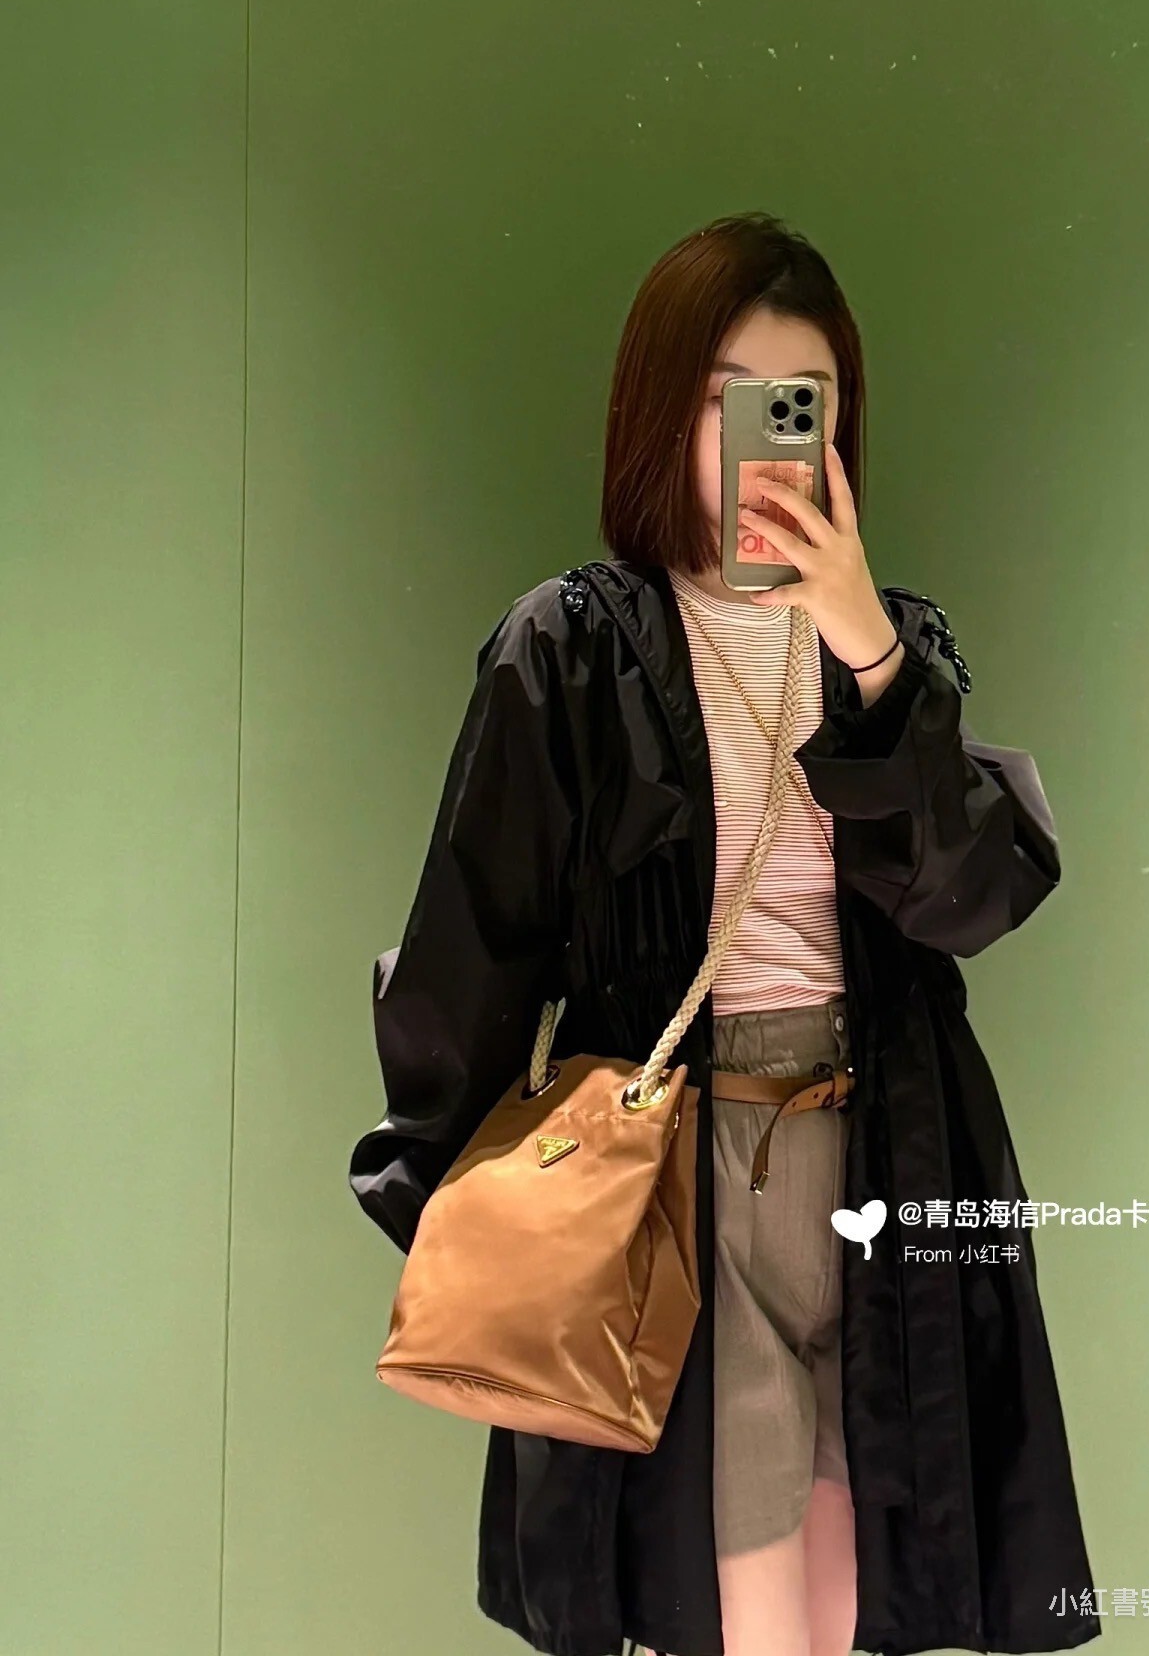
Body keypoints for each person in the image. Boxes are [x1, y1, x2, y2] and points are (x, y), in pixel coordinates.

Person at [349, 211, 1100, 1656]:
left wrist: (868, 645)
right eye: (725, 398)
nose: (765, 439)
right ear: (659, 410)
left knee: (852, 1590)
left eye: (799, 403)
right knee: (741, 1599)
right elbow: (476, 938)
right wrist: (445, 1202)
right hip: (675, 1177)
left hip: (888, 1154)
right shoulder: (574, 645)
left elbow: (972, 899)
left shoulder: (896, 646)